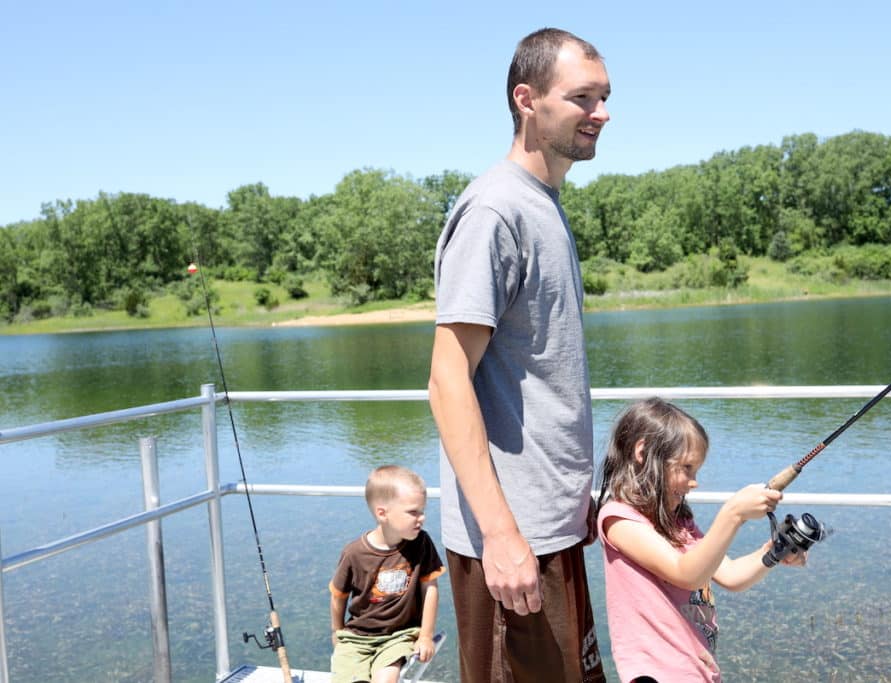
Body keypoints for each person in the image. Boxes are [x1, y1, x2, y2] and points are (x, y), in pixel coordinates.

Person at [427, 27, 610, 683]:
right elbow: (448, 381)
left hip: (552, 525)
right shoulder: (494, 210)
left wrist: (573, 493)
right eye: (583, 97)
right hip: (513, 541)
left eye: (605, 97)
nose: (602, 113)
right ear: (527, 99)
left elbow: (536, 376)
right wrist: (502, 535)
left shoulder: (544, 206)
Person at [597, 398, 809, 683]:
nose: (694, 481)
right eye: (686, 468)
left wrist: (774, 552)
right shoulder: (619, 520)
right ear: (643, 452)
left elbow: (731, 574)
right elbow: (687, 574)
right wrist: (733, 514)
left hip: (697, 671)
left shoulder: (680, 523)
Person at [329, 465, 445, 683]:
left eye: (422, 511)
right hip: (357, 637)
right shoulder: (353, 553)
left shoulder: (421, 543)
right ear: (382, 513)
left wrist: (426, 636)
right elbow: (338, 596)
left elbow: (430, 589)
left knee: (386, 679)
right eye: (413, 512)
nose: (422, 518)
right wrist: (337, 632)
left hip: (398, 636)